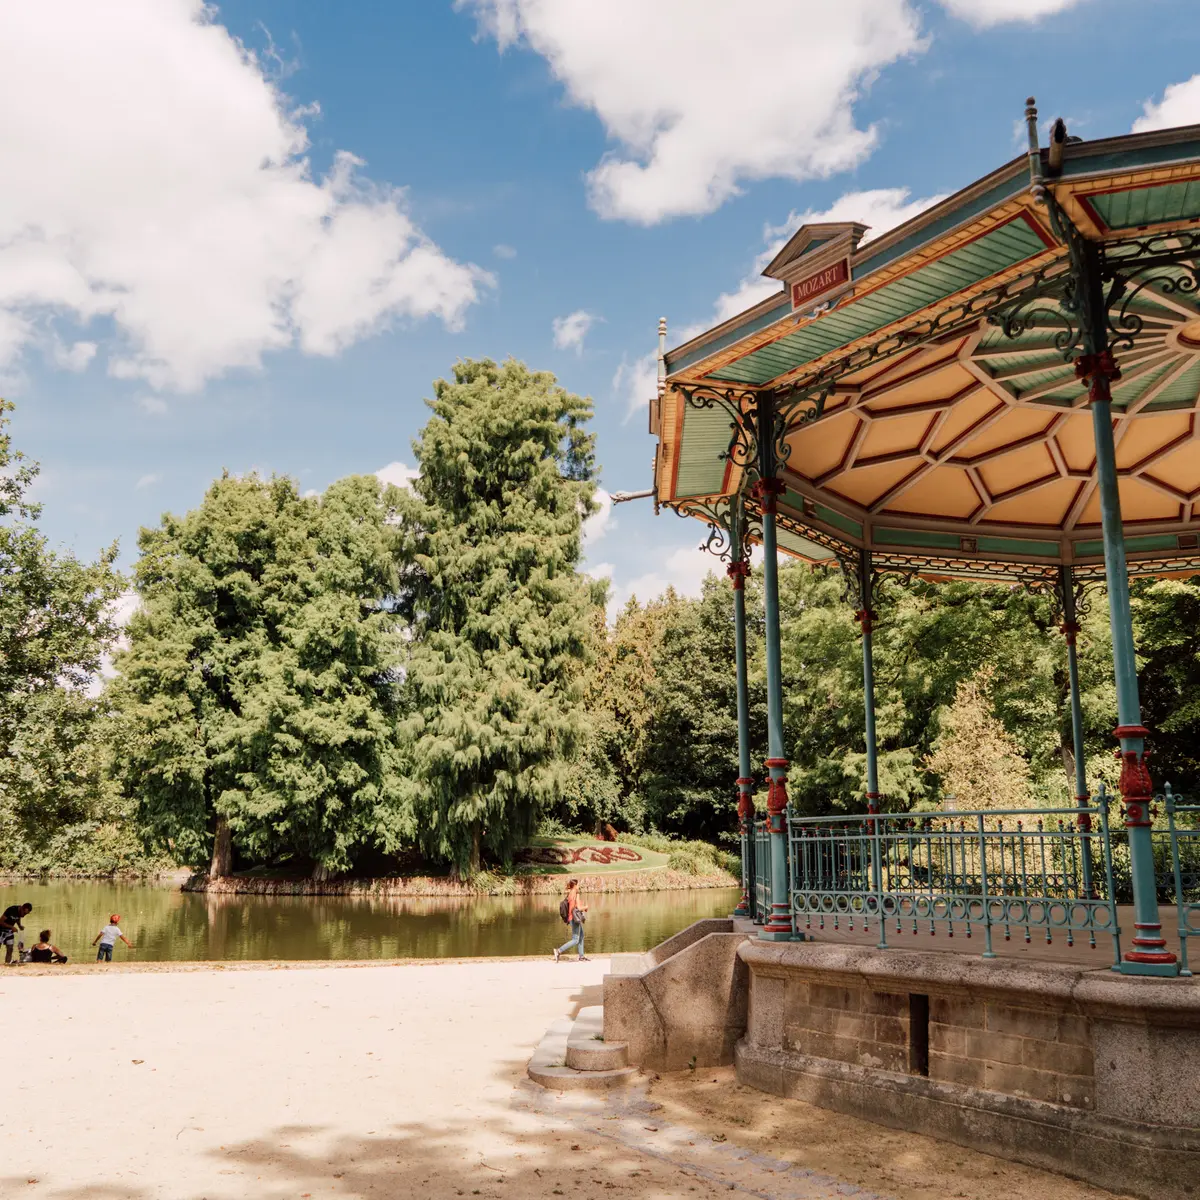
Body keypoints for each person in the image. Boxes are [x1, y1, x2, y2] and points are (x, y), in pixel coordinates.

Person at [553, 878, 589, 962]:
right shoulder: (574, 893)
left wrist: (582, 907)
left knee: (581, 936)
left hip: (573, 917)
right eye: (578, 884)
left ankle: (581, 956)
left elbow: (575, 907)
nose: (579, 886)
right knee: (575, 939)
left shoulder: (572, 893)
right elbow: (576, 908)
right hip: (574, 918)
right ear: (575, 885)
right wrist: (585, 907)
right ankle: (558, 951)